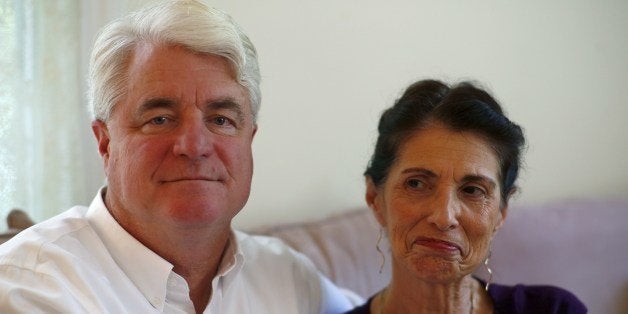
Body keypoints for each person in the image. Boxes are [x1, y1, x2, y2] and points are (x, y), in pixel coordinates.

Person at [0, 1, 360, 313]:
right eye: (159, 119)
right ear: (105, 143)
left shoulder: (288, 277)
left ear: (249, 140)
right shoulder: (30, 288)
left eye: (222, 120)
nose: (194, 145)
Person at [346, 79, 587, 313]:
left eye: (473, 190)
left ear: (501, 213)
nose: (444, 217)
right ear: (375, 198)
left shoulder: (555, 309)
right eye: (416, 183)